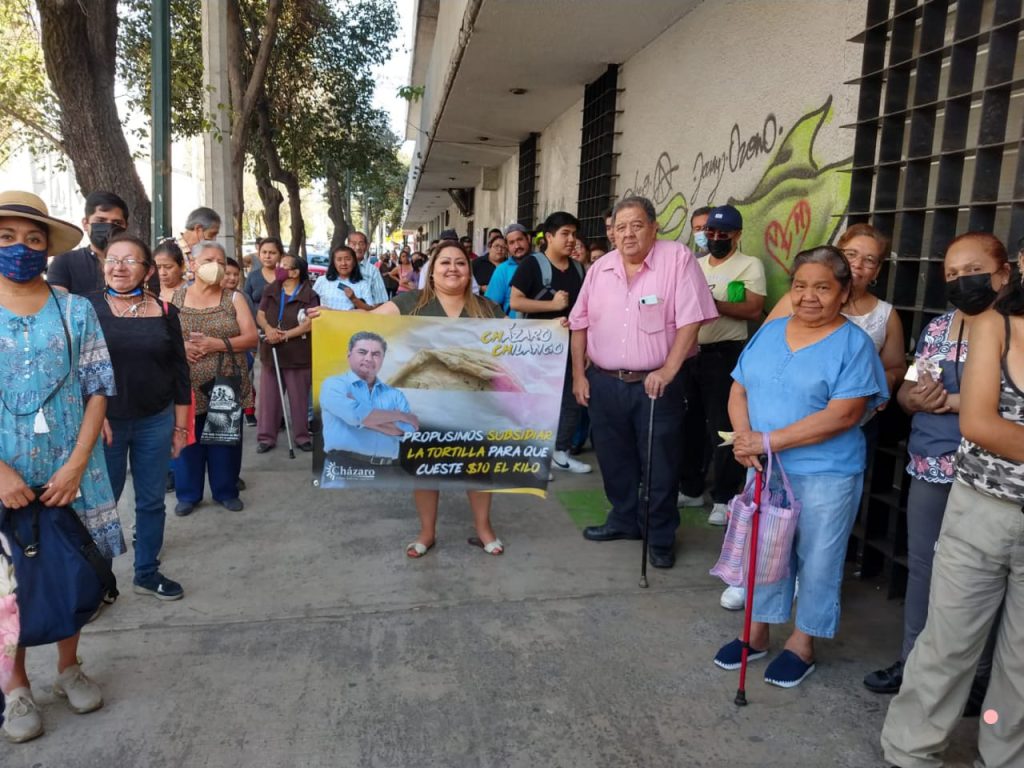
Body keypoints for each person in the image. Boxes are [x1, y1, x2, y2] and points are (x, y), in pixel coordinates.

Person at [711, 245, 887, 688]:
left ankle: (802, 644)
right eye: (801, 286)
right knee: (765, 552)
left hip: (826, 473)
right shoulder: (770, 333)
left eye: (823, 288)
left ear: (844, 293)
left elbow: (844, 415)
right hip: (764, 468)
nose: (809, 296)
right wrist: (744, 439)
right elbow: (739, 389)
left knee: (819, 558)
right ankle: (755, 632)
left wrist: (768, 441)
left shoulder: (855, 345)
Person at [881, 240, 1023, 768]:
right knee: (940, 608)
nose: (963, 280)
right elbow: (932, 393)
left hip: (979, 477)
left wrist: (959, 403)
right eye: (953, 272)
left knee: (1014, 644)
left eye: (975, 271)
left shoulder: (1000, 327)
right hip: (956, 482)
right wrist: (910, 397)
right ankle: (911, 718)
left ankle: (997, 731)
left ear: (1002, 272)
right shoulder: (959, 328)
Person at [0, 190, 122, 743]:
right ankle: (16, 688)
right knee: (8, 586)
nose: (20, 248)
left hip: (73, 469)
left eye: (31, 239)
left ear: (48, 247)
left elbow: (98, 388)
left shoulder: (75, 310)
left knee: (72, 570)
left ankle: (68, 668)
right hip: (5, 471)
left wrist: (76, 464)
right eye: (6, 238)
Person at [570, 196, 718, 569]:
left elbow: (691, 321)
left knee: (660, 464)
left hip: (658, 385)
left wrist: (668, 371)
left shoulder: (677, 259)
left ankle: (660, 535)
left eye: (636, 225)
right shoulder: (599, 268)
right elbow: (579, 323)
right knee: (614, 458)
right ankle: (623, 520)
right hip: (604, 382)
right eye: (620, 227)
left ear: (654, 227)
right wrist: (578, 375)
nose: (628, 233)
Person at [370, 241, 506, 557]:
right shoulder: (411, 303)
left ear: (469, 270)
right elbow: (365, 320)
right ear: (432, 271)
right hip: (424, 401)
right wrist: (327, 316)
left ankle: (484, 528)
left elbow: (515, 342)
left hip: (474, 401)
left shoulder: (487, 308)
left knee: (477, 465)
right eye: (444, 262)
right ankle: (427, 531)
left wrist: (556, 329)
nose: (452, 268)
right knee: (425, 466)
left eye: (460, 262)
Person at [89, 234, 191, 601]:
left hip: (155, 421)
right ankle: (96, 581)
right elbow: (73, 370)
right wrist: (90, 414)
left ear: (147, 270)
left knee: (150, 500)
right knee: (103, 504)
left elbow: (180, 374)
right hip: (104, 424)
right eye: (112, 259)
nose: (119, 266)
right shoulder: (84, 309)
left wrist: (180, 427)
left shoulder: (166, 313)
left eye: (130, 260)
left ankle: (146, 572)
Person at [678, 205, 766, 535]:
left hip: (725, 355)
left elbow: (753, 309)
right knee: (689, 423)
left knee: (723, 425)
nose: (714, 238)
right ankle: (689, 489)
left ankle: (724, 497)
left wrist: (708, 303)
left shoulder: (749, 265)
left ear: (737, 235)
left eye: (722, 234)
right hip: (691, 353)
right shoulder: (695, 265)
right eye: (710, 233)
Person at [171, 241, 257, 515]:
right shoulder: (175, 298)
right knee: (187, 439)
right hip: (186, 384)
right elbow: (163, 337)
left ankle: (225, 490)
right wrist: (181, 347)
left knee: (224, 441)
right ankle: (188, 494)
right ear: (193, 264)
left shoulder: (234, 298)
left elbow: (252, 338)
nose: (216, 267)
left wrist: (214, 344)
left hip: (225, 380)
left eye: (221, 261)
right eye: (209, 260)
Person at [768, 223, 906, 393]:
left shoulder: (885, 315)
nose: (857, 264)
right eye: (851, 254)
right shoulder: (800, 300)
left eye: (869, 260)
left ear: (877, 271)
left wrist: (888, 378)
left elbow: (896, 367)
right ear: (835, 259)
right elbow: (763, 348)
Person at [511, 211, 591, 474]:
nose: (571, 240)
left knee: (571, 401)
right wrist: (552, 306)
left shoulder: (579, 269)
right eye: (565, 234)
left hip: (570, 347)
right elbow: (516, 301)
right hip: (537, 348)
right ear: (549, 237)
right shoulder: (532, 265)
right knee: (537, 402)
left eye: (574, 234)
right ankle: (532, 457)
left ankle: (560, 452)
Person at [320, 332, 418, 483]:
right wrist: (400, 415)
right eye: (362, 352)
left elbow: (407, 431)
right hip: (343, 468)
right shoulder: (334, 385)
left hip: (388, 471)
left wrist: (364, 418)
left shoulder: (395, 394)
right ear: (349, 354)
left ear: (383, 359)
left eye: (376, 354)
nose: (368, 358)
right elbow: (354, 415)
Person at [256, 254, 317, 453]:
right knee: (269, 399)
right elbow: (261, 314)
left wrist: (285, 335)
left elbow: (309, 323)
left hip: (297, 354)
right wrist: (268, 329)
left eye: (284, 265)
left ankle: (301, 437)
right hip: (271, 352)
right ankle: (266, 437)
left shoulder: (309, 294)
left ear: (295, 272)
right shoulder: (271, 289)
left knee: (299, 398)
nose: (279, 267)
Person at [47, 190, 134, 295]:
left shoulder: (139, 263)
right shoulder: (65, 262)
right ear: (85, 223)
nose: (109, 227)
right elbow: (58, 305)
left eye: (117, 222)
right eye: (101, 221)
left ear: (126, 227)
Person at [484, 223, 535, 316]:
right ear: (507, 246)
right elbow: (490, 305)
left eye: (520, 240)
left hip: (544, 327)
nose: (517, 246)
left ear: (528, 238)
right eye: (511, 243)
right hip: (513, 328)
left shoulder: (542, 263)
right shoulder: (502, 270)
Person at [313, 245, 378, 310]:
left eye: (348, 259)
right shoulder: (322, 281)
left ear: (354, 262)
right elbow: (311, 303)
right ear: (333, 263)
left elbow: (370, 310)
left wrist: (354, 299)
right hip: (326, 320)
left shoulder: (363, 284)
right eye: (339, 260)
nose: (343, 263)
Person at [347, 231, 389, 305]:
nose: (357, 247)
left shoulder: (373, 271)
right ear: (348, 246)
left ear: (367, 246)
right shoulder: (340, 268)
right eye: (353, 244)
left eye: (361, 244)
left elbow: (381, 301)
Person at [243, 236, 283, 309]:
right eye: (264, 252)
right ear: (259, 254)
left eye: (272, 253)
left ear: (281, 255)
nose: (267, 256)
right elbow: (246, 302)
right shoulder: (252, 276)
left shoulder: (287, 276)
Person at [154, 239, 187, 304]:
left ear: (182, 266)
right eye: (158, 267)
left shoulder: (191, 291)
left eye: (168, 267)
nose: (162, 273)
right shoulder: (150, 289)